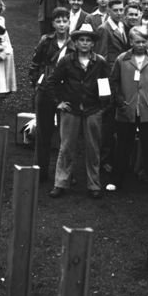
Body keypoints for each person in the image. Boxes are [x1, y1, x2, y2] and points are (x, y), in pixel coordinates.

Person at [45, 23, 111, 199]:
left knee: (93, 149)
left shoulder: (100, 62)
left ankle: (94, 184)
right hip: (71, 110)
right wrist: (58, 102)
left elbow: (105, 86)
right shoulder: (67, 61)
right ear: (75, 42)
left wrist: (102, 107)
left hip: (92, 110)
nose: (84, 43)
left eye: (88, 40)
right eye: (81, 40)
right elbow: (51, 82)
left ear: (93, 44)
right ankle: (60, 182)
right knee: (66, 147)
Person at [108, 27, 148, 194]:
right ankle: (116, 179)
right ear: (131, 41)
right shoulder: (122, 59)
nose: (140, 45)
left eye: (143, 41)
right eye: (137, 41)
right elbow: (114, 82)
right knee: (122, 146)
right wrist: (120, 101)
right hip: (126, 109)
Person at [28, 7, 73, 182]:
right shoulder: (46, 41)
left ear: (69, 22)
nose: (62, 24)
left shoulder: (74, 43)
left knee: (66, 136)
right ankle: (40, 170)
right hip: (45, 91)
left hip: (65, 92)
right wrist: (37, 83)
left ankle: (64, 173)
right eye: (58, 21)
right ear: (53, 23)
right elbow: (35, 63)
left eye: (65, 21)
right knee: (43, 132)